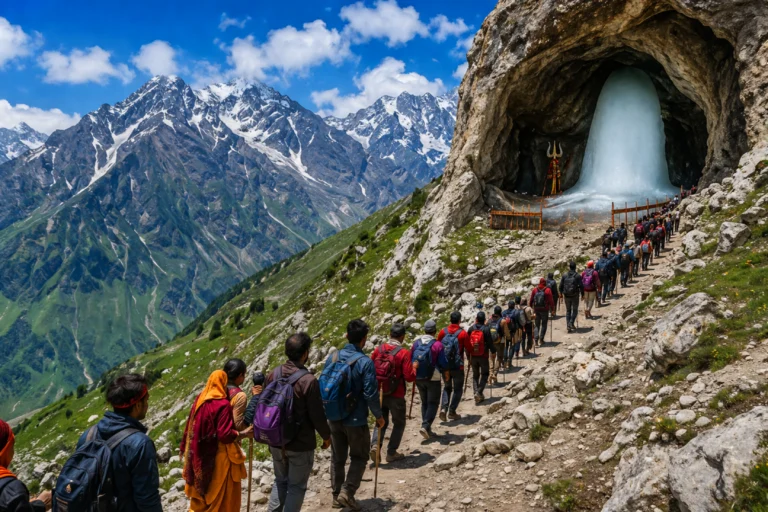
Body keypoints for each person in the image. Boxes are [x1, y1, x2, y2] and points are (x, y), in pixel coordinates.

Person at [70, 374, 161, 512]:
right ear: (137, 405)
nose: (148, 404)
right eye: (146, 400)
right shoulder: (141, 444)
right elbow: (147, 500)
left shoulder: (88, 435)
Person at [264, 333, 331, 512]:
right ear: (305, 354)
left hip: (276, 440)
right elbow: (317, 415)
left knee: (280, 481)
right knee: (296, 486)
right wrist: (326, 437)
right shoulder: (308, 381)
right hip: (300, 444)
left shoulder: (273, 374)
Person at [324, 319, 384, 511]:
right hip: (355, 419)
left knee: (337, 457)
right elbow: (370, 393)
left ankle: (335, 496)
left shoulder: (332, 357)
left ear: (347, 336)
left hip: (333, 416)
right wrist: (379, 416)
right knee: (359, 456)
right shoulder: (365, 362)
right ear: (364, 340)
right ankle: (347, 492)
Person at [181, 370, 249, 512]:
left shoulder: (200, 399)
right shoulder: (222, 404)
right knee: (222, 497)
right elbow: (225, 435)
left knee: (202, 497)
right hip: (218, 458)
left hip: (199, 454)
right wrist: (243, 433)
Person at [370, 323, 416, 463]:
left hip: (380, 392)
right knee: (399, 422)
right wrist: (414, 368)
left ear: (390, 335)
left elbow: (370, 368)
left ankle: (375, 446)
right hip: (396, 394)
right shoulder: (403, 353)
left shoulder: (378, 350)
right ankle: (391, 452)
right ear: (402, 337)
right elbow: (409, 377)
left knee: (380, 420)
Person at [0, 419, 52, 512]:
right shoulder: (11, 490)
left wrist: (27, 505)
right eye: (12, 445)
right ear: (5, 449)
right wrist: (41, 504)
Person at [411, 320, 449, 439]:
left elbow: (410, 358)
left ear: (424, 330)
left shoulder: (416, 343)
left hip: (418, 377)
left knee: (425, 402)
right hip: (433, 377)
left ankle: (428, 429)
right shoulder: (437, 344)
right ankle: (425, 426)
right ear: (435, 331)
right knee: (433, 402)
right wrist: (446, 373)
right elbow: (443, 362)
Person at [437, 312, 469, 420]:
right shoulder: (463, 333)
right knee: (458, 389)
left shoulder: (443, 332)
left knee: (447, 387)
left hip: (445, 366)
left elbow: (437, 346)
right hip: (457, 367)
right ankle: (452, 411)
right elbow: (468, 348)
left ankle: (443, 409)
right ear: (459, 320)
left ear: (450, 320)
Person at [465, 312, 496, 403]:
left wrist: (468, 357)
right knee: (485, 374)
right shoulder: (486, 329)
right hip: (483, 355)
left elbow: (467, 344)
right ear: (484, 320)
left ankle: (476, 392)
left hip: (473, 356)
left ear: (476, 319)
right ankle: (478, 392)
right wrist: (493, 352)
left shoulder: (471, 329)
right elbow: (490, 342)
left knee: (475, 375)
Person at [223, 359, 249, 434]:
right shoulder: (239, 396)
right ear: (240, 375)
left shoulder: (215, 389)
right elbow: (238, 426)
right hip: (228, 442)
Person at [488, 306, 510, 384]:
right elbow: (507, 333)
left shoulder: (490, 320)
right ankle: (495, 373)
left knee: (491, 358)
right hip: (500, 342)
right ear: (500, 312)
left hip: (491, 342)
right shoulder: (503, 321)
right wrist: (509, 338)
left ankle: (490, 374)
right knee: (499, 357)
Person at [559, 261, 583, 333]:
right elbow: (581, 286)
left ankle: (568, 326)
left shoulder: (564, 275)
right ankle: (571, 323)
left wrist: (560, 293)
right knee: (575, 310)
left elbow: (560, 286)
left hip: (566, 295)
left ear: (569, 267)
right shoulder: (577, 276)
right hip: (575, 295)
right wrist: (583, 294)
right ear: (575, 267)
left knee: (568, 311)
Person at [530, 278, 555, 346]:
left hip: (536, 309)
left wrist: (531, 308)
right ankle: (541, 339)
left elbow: (531, 300)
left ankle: (536, 340)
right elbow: (551, 301)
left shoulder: (535, 290)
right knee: (544, 324)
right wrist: (552, 309)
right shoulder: (547, 290)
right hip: (544, 309)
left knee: (537, 325)